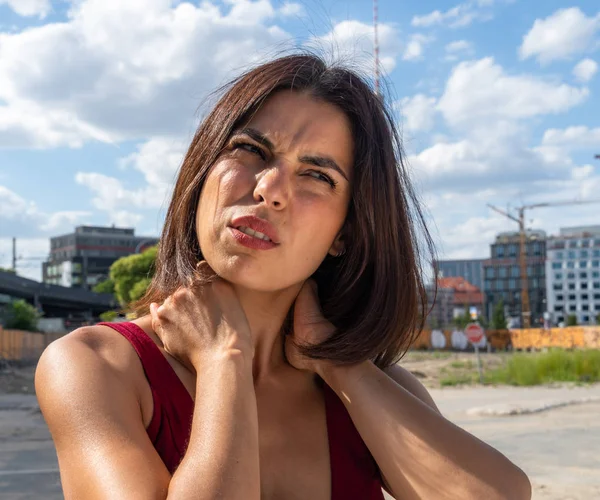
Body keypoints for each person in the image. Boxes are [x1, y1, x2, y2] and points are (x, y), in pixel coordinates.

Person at [35, 53, 531, 499]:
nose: (269, 189)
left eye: (317, 175)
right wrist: (222, 358)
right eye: (251, 149)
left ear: (345, 232)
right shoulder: (96, 367)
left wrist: (341, 367)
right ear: (203, 171)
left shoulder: (365, 386)